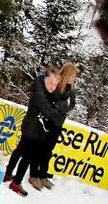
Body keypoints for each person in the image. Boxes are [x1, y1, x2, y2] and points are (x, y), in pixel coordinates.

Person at [5, 66, 67, 195]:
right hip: (34, 128)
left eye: (55, 85)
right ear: (45, 78)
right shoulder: (39, 93)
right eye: (50, 83)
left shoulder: (43, 89)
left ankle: (8, 172)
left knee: (20, 150)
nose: (52, 87)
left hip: (34, 126)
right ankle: (16, 182)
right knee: (27, 156)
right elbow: (49, 112)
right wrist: (61, 106)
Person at [24, 62, 78, 190]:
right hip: (47, 121)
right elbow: (51, 102)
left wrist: (63, 105)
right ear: (67, 74)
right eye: (72, 76)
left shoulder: (71, 88)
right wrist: (63, 105)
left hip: (58, 123)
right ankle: (34, 175)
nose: (73, 78)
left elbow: (72, 104)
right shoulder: (56, 84)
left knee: (48, 151)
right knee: (39, 149)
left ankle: (43, 175)